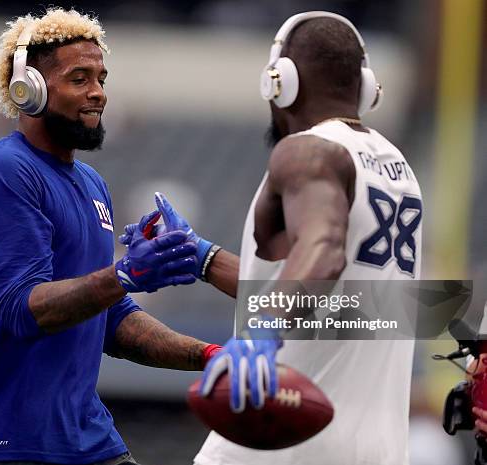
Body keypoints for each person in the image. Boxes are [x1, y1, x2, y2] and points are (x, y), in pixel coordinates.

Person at [124, 11, 423, 465]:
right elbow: (346, 307)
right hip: (377, 451)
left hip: (280, 445)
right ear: (363, 85)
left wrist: (264, 327)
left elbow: (321, 252)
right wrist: (204, 259)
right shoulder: (399, 170)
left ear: (280, 82)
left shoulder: (305, 150)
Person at [0, 8, 227, 465]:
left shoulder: (92, 183)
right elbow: (24, 309)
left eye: (101, 78)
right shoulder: (2, 170)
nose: (98, 94)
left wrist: (210, 356)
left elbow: (112, 321)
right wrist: (125, 274)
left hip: (86, 439)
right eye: (80, 78)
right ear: (28, 88)